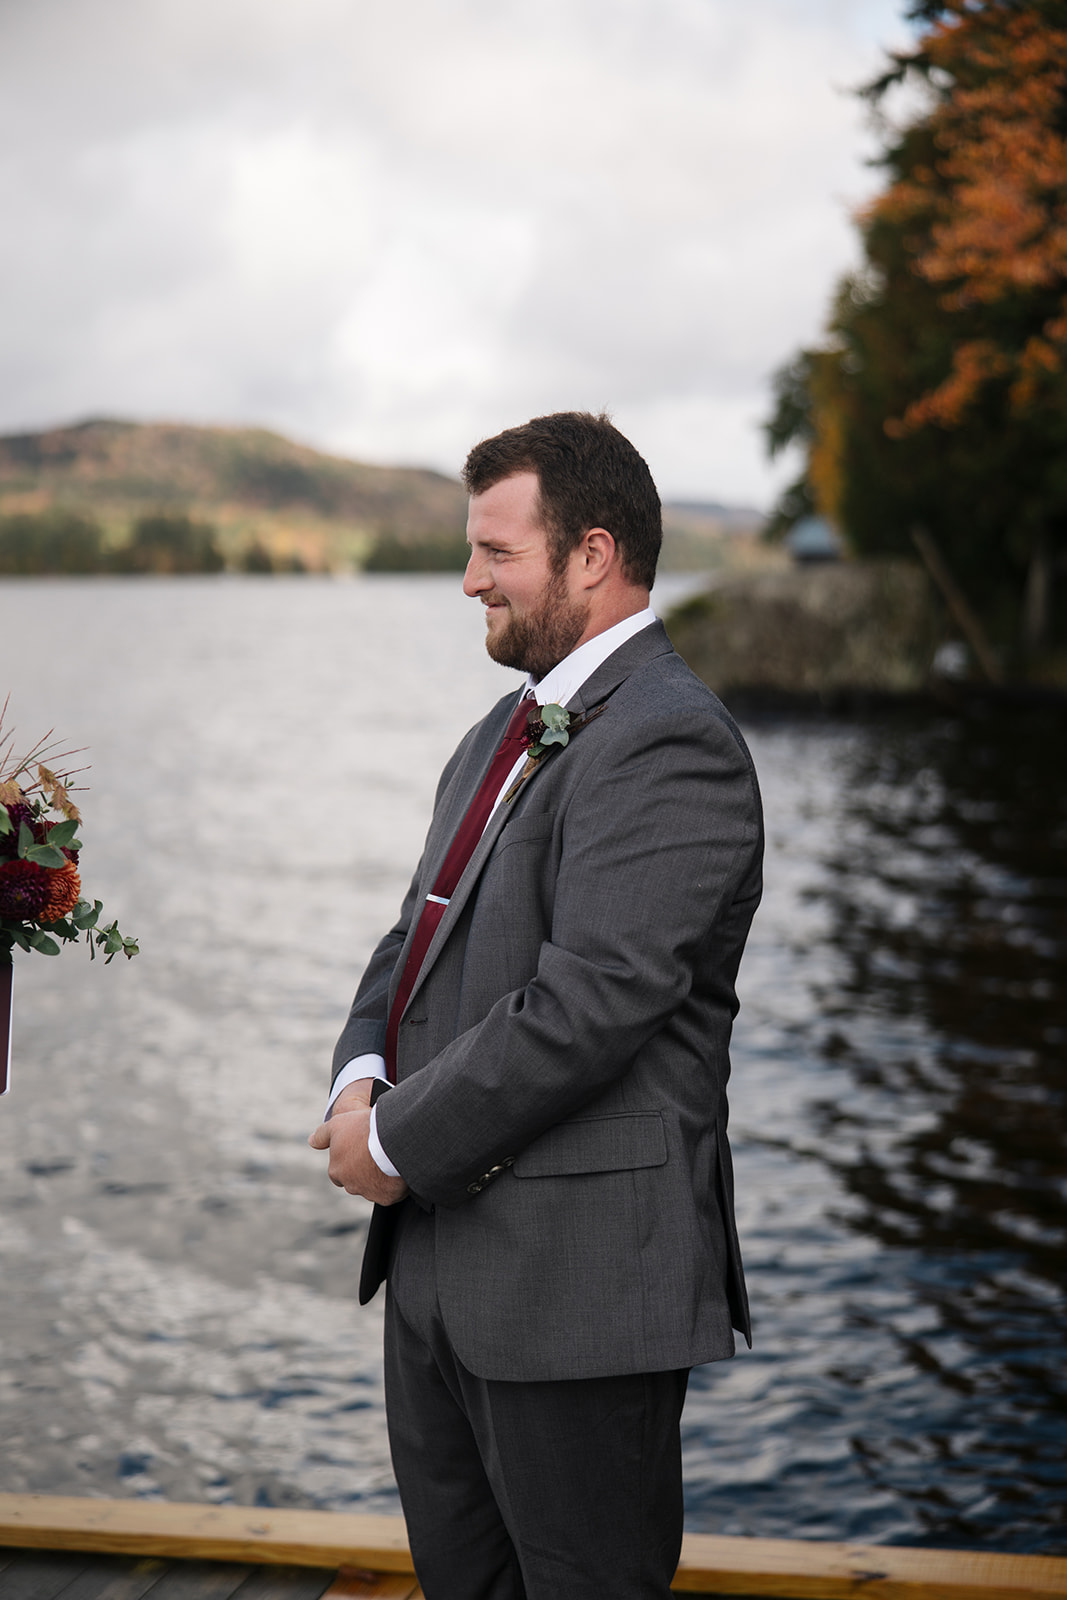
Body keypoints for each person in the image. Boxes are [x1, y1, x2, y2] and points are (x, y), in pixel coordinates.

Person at [309, 411, 763, 1600]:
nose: (470, 580)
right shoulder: (491, 737)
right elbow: (411, 937)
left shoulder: (672, 740)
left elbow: (590, 1003)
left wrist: (396, 1140)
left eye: (496, 553)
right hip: (437, 1288)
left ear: (592, 555)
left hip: (577, 1294)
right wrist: (359, 1077)